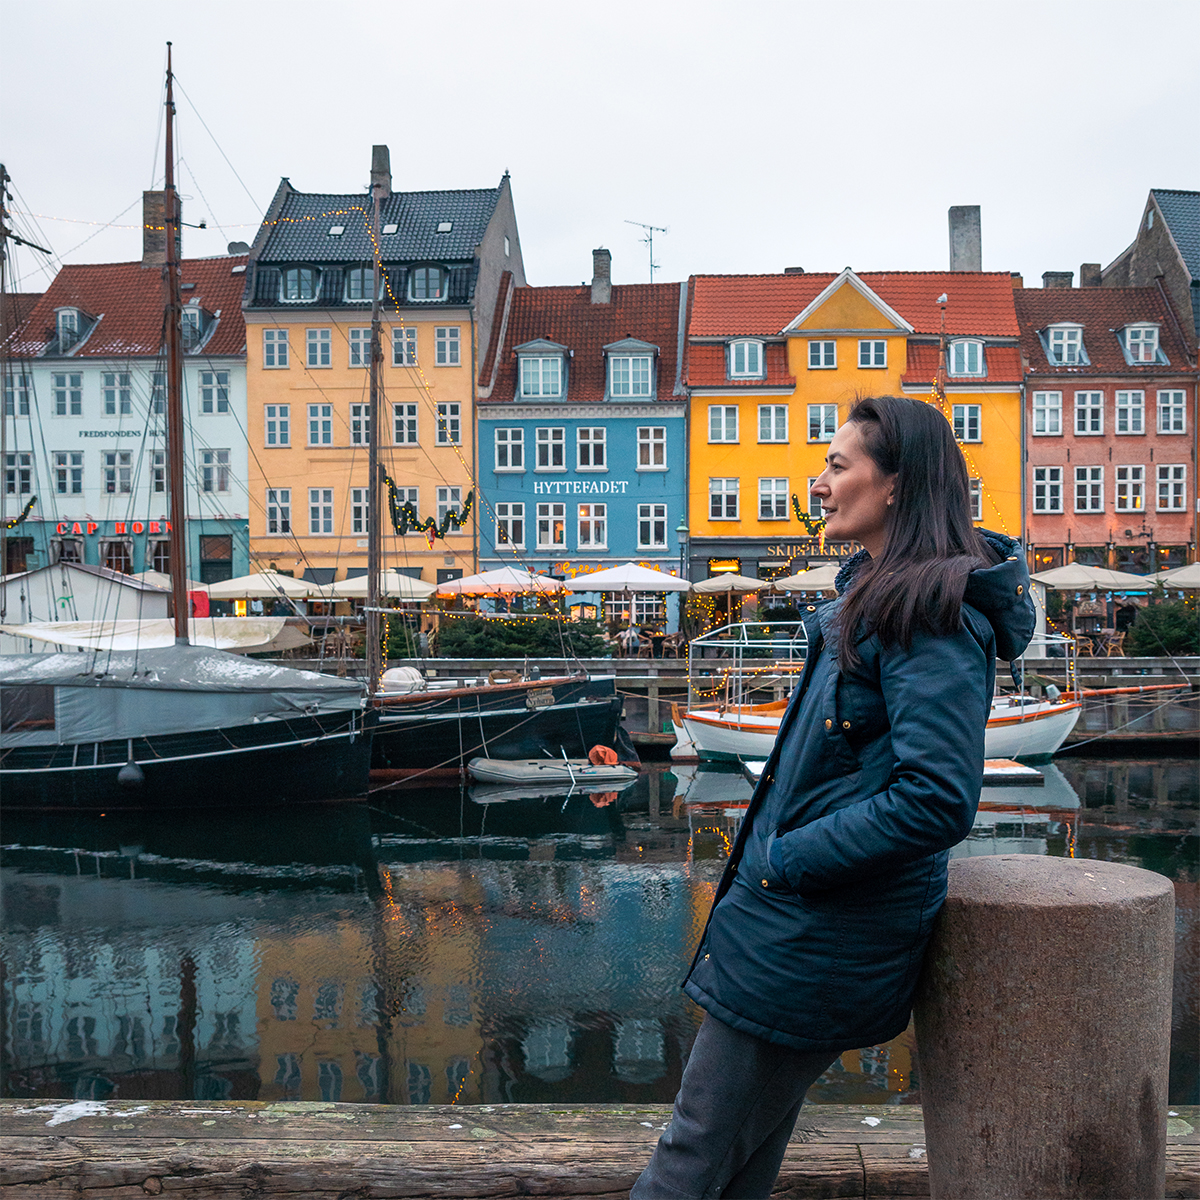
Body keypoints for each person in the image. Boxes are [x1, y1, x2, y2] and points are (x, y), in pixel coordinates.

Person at [632, 395, 1035, 1199]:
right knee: (737, 1160)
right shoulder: (879, 596)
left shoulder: (931, 616)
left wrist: (787, 860)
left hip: (812, 933)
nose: (818, 482)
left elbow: (936, 799)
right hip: (797, 928)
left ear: (895, 486)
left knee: (689, 1160)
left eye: (837, 465)